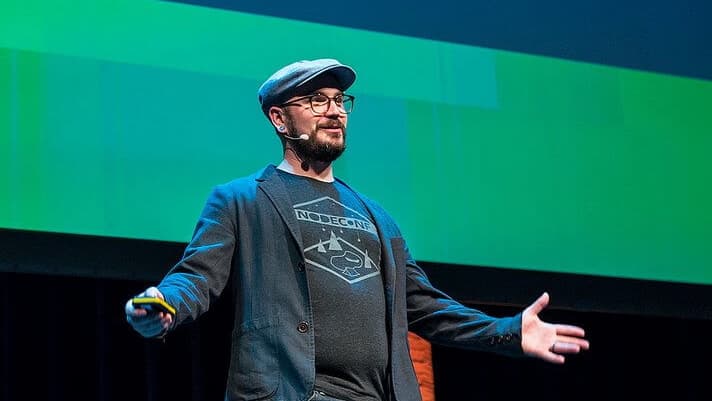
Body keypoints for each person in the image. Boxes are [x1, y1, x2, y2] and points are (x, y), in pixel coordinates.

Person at [125, 58, 590, 401]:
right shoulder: (242, 200)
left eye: (339, 101)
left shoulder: (376, 216)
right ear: (279, 118)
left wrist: (507, 331)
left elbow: (425, 305)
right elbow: (198, 276)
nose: (334, 111)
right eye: (316, 100)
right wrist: (164, 304)